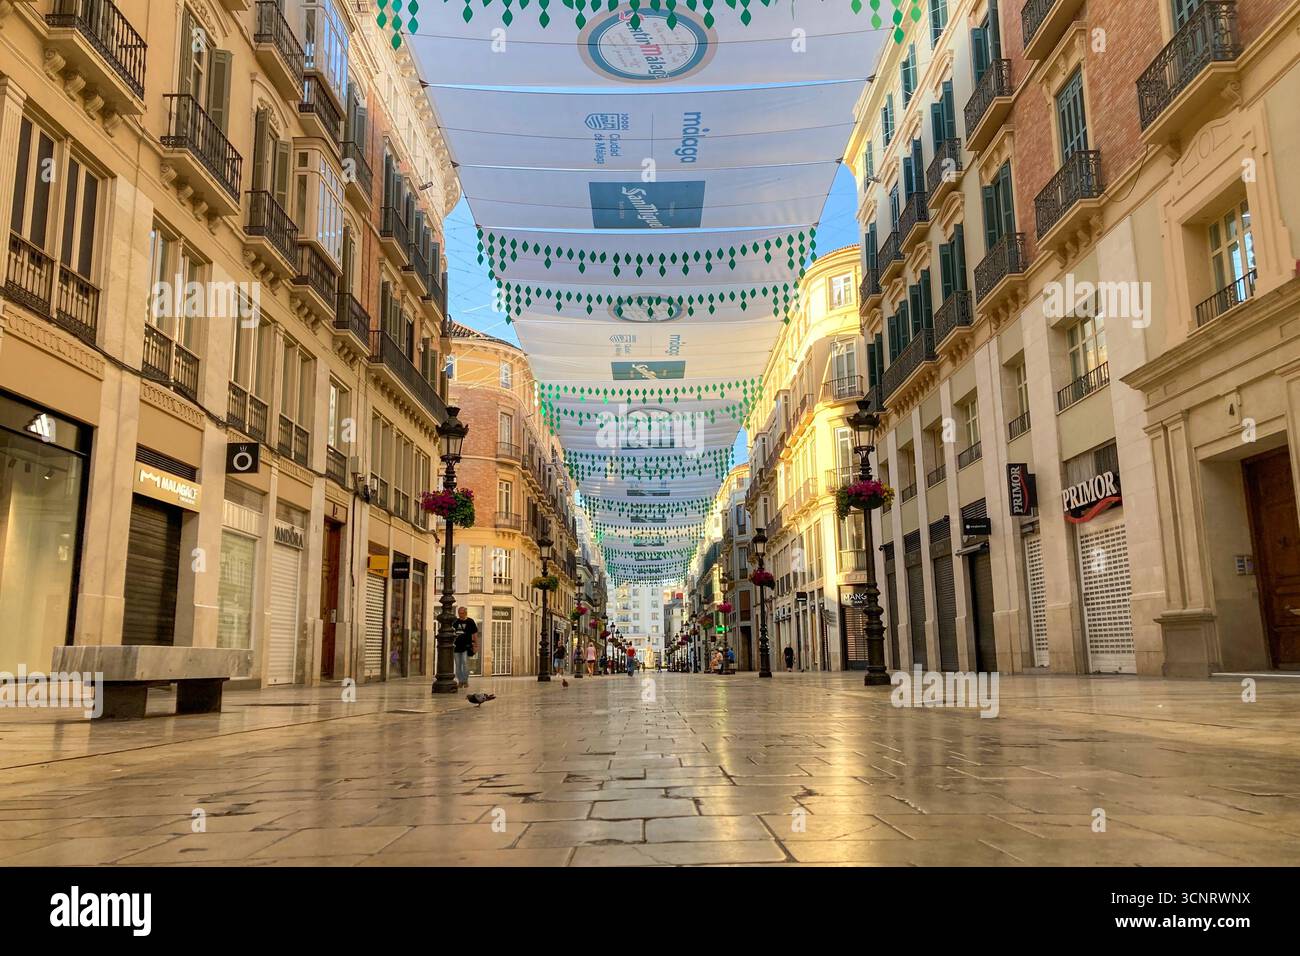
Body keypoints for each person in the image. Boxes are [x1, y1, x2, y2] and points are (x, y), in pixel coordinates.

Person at [452, 607, 478, 689]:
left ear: (466, 613)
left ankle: (465, 681)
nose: (460, 614)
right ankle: (460, 681)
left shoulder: (470, 621)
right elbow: (452, 631)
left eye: (462, 613)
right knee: (458, 665)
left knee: (465, 664)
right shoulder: (455, 621)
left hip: (466, 647)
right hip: (456, 647)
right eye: (459, 613)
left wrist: (476, 645)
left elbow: (474, 634)